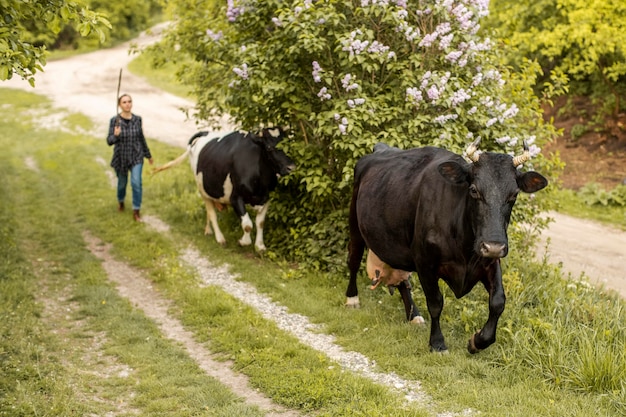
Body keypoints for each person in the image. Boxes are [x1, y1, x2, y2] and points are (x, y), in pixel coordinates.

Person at [106, 93, 153, 222]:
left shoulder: (137, 119)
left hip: (136, 156)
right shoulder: (114, 121)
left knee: (136, 183)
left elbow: (141, 137)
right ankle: (121, 201)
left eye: (129, 101)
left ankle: (136, 211)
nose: (127, 104)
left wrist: (147, 154)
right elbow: (109, 141)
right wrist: (115, 135)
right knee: (122, 184)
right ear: (119, 105)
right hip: (121, 157)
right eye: (124, 102)